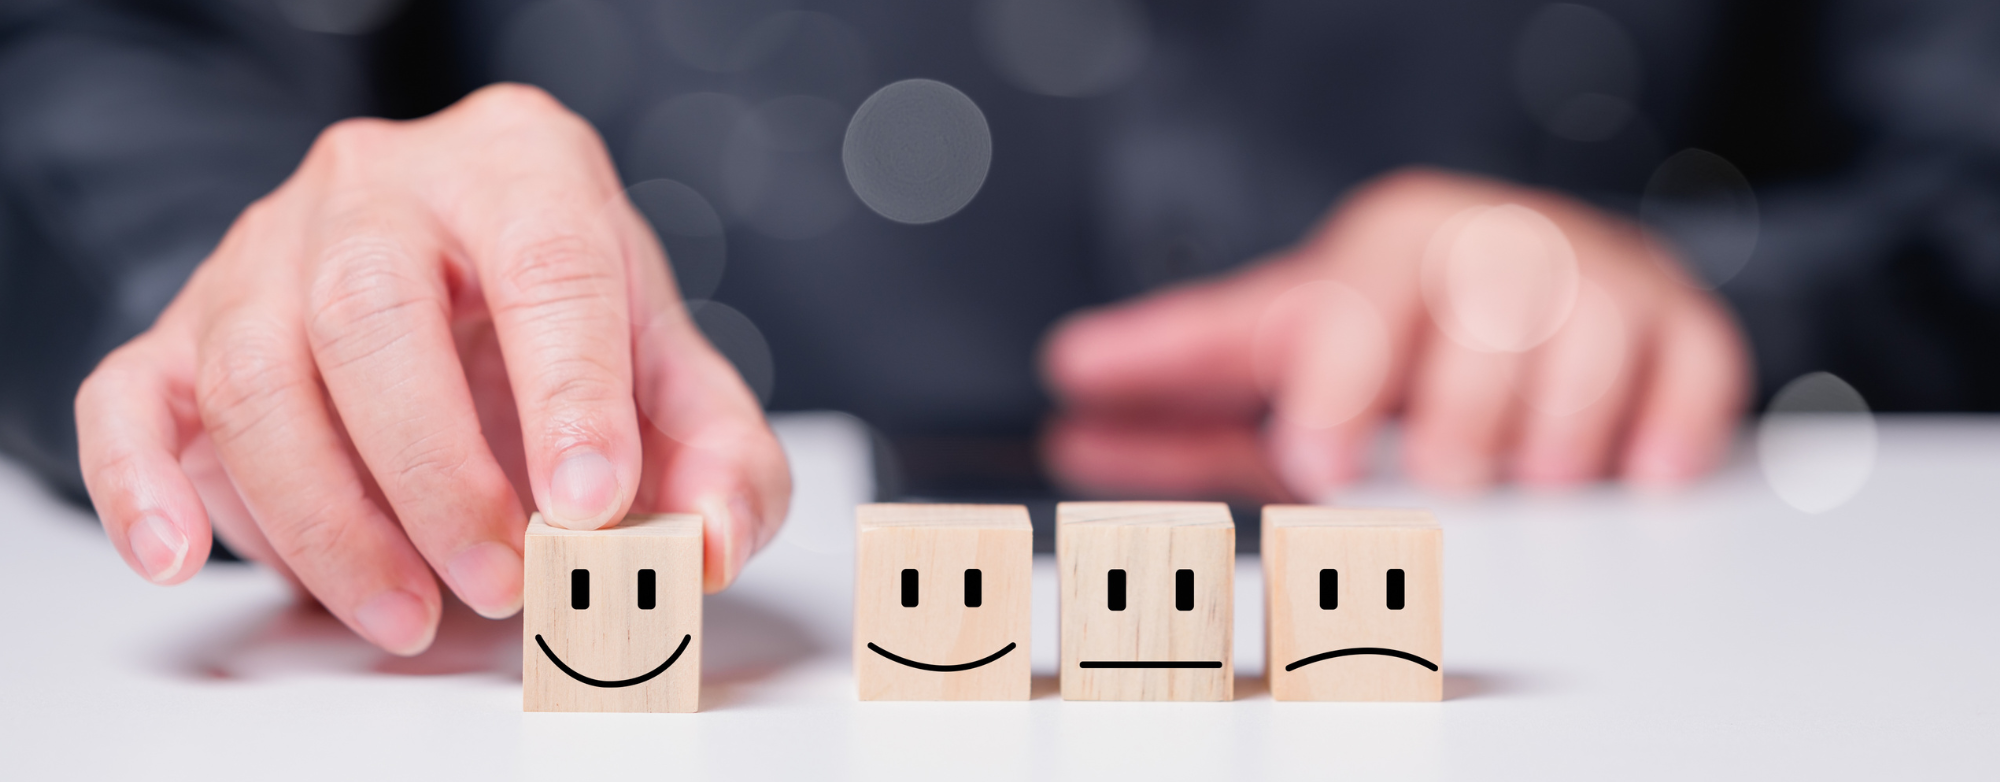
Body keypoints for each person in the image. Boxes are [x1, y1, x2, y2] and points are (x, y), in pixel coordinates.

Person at [1, 0, 1992, 656]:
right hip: (620, 565)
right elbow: (108, 49)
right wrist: (264, 285)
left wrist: (1711, 294)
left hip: (1613, 570)